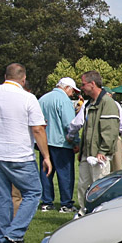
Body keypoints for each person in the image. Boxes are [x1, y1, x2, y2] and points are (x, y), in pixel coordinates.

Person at [0, 63, 51, 243]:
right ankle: (15, 232)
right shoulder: (28, 97)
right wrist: (46, 156)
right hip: (19, 154)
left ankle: (3, 237)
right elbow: (37, 129)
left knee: (1, 194)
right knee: (34, 192)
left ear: (5, 76)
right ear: (23, 78)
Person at [75, 70, 120, 212]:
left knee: (99, 186)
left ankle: (99, 213)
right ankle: (83, 211)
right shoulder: (89, 104)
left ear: (92, 84)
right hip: (86, 154)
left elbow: (110, 130)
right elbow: (86, 130)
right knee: (83, 185)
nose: (82, 88)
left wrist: (103, 151)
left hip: (99, 155)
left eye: (83, 84)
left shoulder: (107, 103)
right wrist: (82, 151)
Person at [38, 77, 78, 213]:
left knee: (46, 173)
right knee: (65, 175)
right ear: (67, 88)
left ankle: (46, 202)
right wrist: (76, 141)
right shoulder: (64, 101)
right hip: (62, 143)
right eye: (73, 91)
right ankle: (66, 204)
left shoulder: (43, 99)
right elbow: (69, 124)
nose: (73, 94)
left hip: (44, 142)